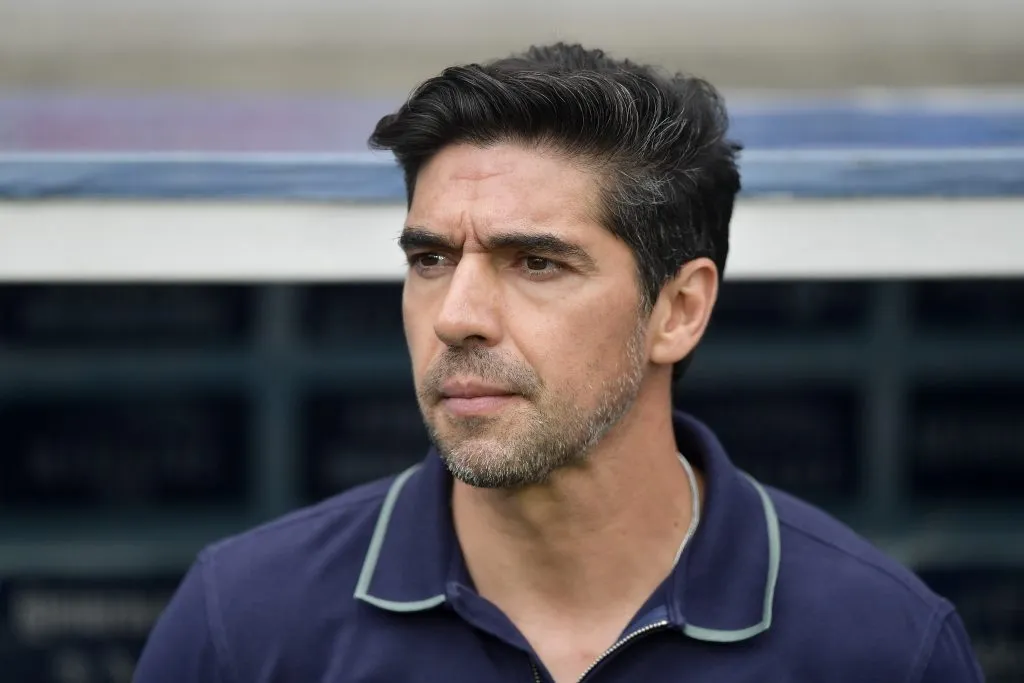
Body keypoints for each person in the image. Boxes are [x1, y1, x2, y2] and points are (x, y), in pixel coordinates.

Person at [133, 43, 984, 683]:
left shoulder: (882, 645)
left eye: (536, 263)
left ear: (679, 309)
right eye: (430, 259)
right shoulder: (243, 624)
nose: (458, 315)